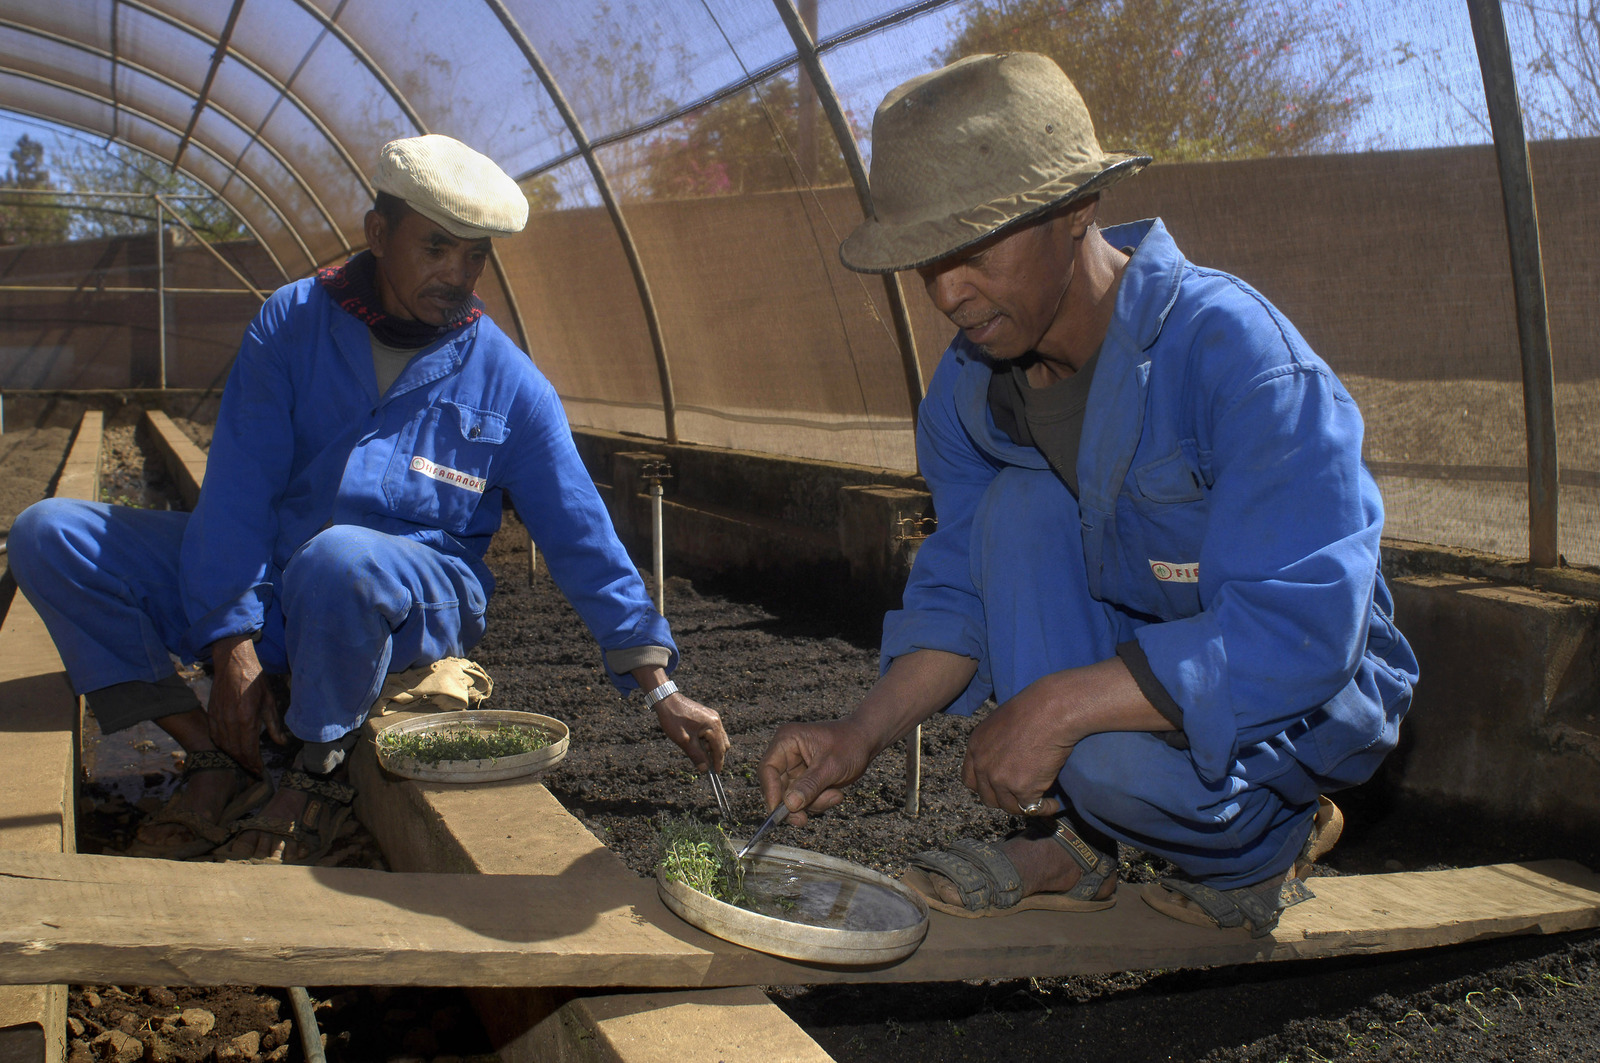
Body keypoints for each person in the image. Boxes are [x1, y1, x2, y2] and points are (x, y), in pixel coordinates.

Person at [757, 53, 1417, 936]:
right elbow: (961, 592)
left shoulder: (1237, 359)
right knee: (1018, 510)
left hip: (1295, 688)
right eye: (926, 263)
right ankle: (1076, 844)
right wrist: (859, 733)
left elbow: (1302, 628)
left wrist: (1059, 708)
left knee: (1106, 760)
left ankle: (1268, 840)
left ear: (1074, 210)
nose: (948, 293)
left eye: (975, 249)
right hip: (1141, 658)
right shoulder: (968, 392)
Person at [9, 134, 728, 864]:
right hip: (286, 581)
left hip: (409, 596)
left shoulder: (508, 381)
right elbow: (236, 493)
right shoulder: (291, 325)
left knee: (341, 558)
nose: (458, 274)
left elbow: (583, 537)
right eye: (437, 248)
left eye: (474, 255)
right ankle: (218, 754)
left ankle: (316, 775)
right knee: (50, 533)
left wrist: (660, 689)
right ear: (378, 233)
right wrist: (231, 643)